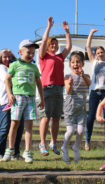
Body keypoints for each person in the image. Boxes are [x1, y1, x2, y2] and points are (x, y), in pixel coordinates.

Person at [2, 39, 44, 163]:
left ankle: (27, 151)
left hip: (30, 98)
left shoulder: (34, 67)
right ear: (20, 52)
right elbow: (7, 79)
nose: (31, 55)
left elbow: (38, 83)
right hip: (18, 97)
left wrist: (42, 98)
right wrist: (9, 94)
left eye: (33, 52)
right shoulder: (14, 65)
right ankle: (10, 149)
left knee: (29, 126)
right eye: (28, 52)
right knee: (14, 124)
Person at [38, 16, 72, 156]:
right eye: (52, 44)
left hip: (59, 89)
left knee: (57, 118)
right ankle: (42, 143)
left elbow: (68, 47)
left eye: (56, 44)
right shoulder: (43, 56)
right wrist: (49, 27)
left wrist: (67, 32)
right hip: (47, 89)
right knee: (46, 117)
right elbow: (44, 40)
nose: (54, 46)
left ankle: (53, 142)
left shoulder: (59, 57)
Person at [85, 28, 105, 151]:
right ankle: (87, 140)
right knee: (91, 116)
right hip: (94, 92)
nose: (100, 54)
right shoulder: (94, 62)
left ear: (104, 53)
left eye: (101, 52)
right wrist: (91, 33)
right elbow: (87, 47)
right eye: (98, 53)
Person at [0, 49, 24, 162]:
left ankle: (15, 154)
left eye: (9, 57)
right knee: (5, 127)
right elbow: (8, 80)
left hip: (18, 101)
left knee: (19, 128)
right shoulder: (1, 68)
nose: (7, 59)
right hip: (5, 102)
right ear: (1, 59)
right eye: (5, 57)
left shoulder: (15, 67)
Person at [61, 51, 91, 164]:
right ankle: (64, 147)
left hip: (81, 109)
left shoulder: (86, 76)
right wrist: (69, 84)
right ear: (70, 65)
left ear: (82, 64)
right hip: (70, 108)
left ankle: (76, 147)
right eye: (73, 62)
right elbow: (68, 91)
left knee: (81, 130)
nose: (75, 64)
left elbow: (89, 83)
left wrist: (83, 75)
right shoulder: (68, 76)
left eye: (78, 62)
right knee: (70, 130)